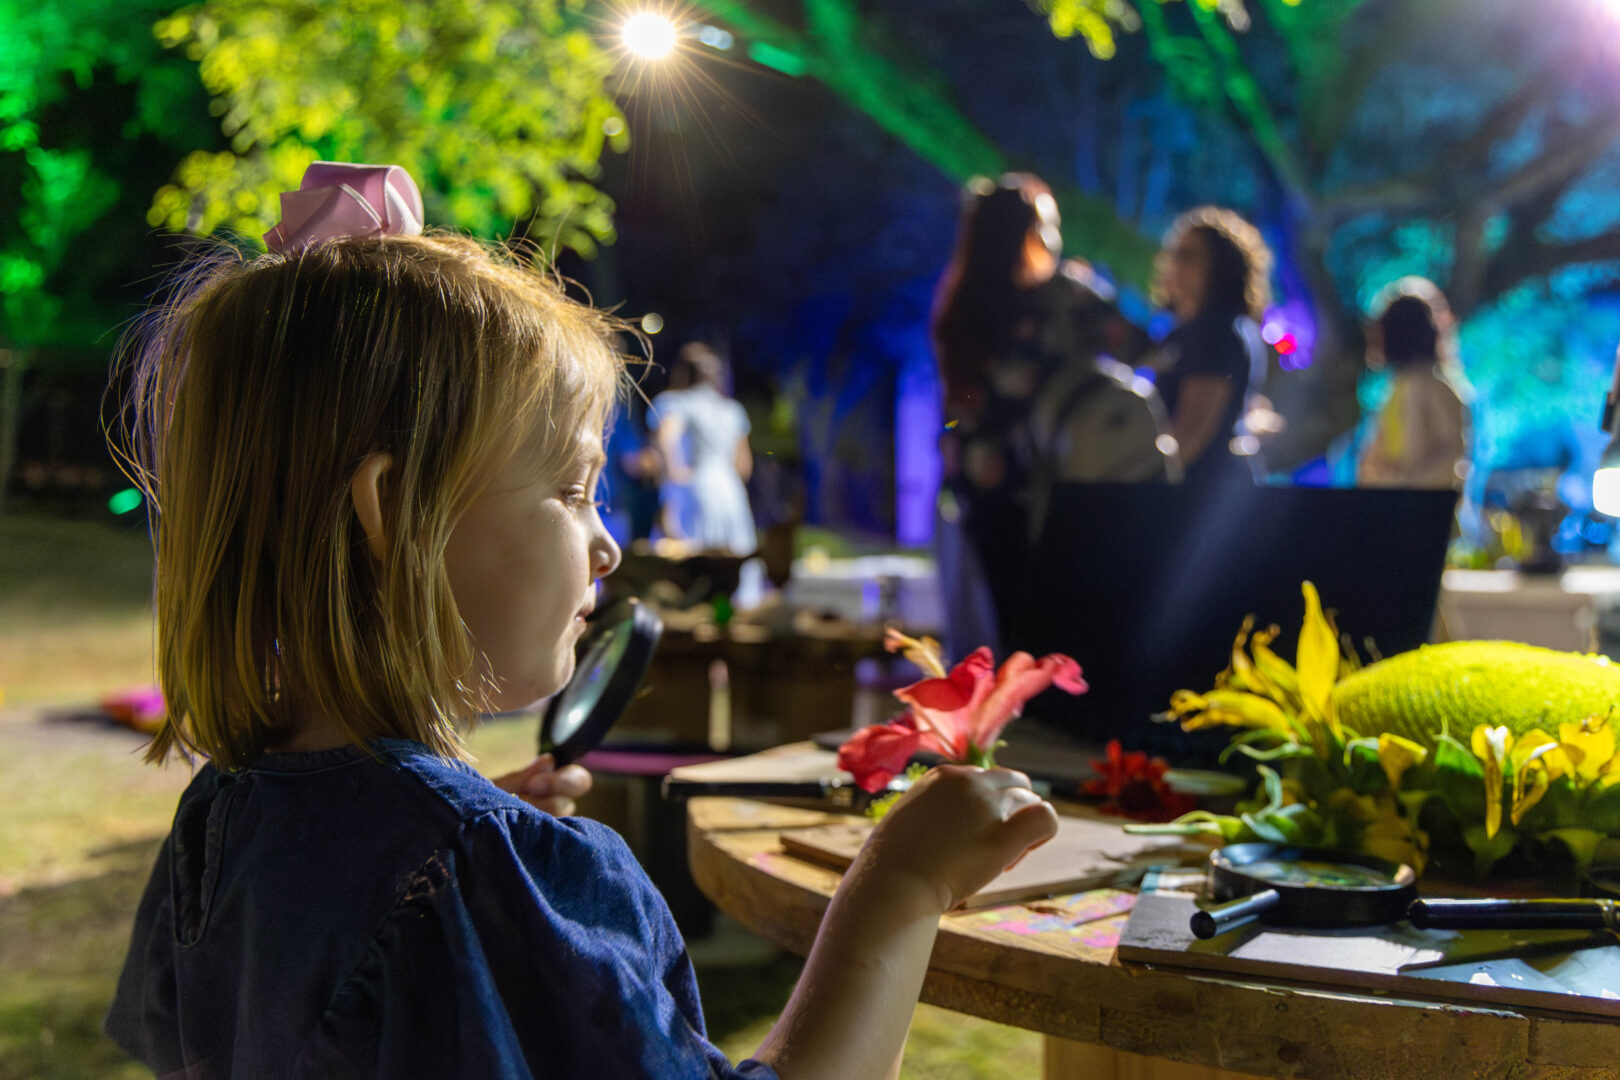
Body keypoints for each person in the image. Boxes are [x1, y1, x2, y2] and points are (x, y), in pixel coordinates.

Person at [103, 161, 1058, 1080]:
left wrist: (457, 853)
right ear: (393, 510)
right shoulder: (500, 872)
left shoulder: (219, 815)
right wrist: (900, 883)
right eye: (571, 491)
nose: (605, 546)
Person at [931, 173, 1168, 655]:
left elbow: (956, 410)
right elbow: (1141, 346)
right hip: (1049, 483)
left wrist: (959, 450)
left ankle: (1006, 697)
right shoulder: (1060, 296)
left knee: (1001, 625)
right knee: (1054, 624)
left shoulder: (961, 308)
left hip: (978, 484)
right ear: (1031, 233)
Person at [1150, 206, 1275, 490]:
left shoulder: (1220, 332)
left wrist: (1140, 479)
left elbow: (1191, 434)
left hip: (1199, 492)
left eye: (1189, 256)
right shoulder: (1181, 333)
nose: (1174, 265)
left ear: (1220, 266)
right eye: (1173, 254)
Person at [1356, 276, 1471, 490]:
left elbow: (1452, 450)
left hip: (1425, 504)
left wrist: (1408, 483)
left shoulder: (1435, 385)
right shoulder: (1396, 386)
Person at [650, 342, 757, 556]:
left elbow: (665, 437)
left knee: (692, 556)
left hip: (696, 486)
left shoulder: (676, 402)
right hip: (730, 490)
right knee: (733, 557)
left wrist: (673, 473)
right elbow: (744, 466)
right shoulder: (732, 410)